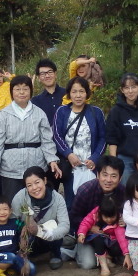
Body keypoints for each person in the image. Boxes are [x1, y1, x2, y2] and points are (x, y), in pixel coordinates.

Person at [0, 74, 62, 205]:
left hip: (35, 163)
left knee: (36, 202)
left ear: (31, 91)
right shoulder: (4, 114)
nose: (22, 92)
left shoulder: (39, 113)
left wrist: (52, 160)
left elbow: (47, 140)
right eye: (17, 89)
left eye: (25, 89)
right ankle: (16, 225)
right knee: (13, 203)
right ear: (11, 92)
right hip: (10, 166)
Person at [52, 76, 106, 212]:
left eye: (81, 91)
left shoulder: (96, 112)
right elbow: (56, 135)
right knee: (71, 202)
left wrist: (95, 158)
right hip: (71, 166)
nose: (78, 95)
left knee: (93, 202)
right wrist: (68, 154)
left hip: (90, 166)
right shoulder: (62, 111)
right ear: (69, 93)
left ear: (87, 93)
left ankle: (91, 231)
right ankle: (73, 231)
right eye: (74, 91)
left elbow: (103, 138)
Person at [70, 155, 125, 269]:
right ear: (98, 174)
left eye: (114, 176)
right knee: (88, 264)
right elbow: (73, 217)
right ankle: (77, 250)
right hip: (90, 235)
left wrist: (125, 220)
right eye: (105, 175)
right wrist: (90, 227)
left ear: (120, 178)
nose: (108, 180)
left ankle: (107, 255)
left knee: (128, 258)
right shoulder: (85, 191)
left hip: (113, 235)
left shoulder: (123, 192)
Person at [9, 166, 70, 270]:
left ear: (45, 180)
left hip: (49, 237)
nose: (34, 188)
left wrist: (48, 234)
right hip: (28, 237)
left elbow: (65, 225)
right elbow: (12, 220)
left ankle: (55, 254)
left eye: (37, 182)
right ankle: (25, 255)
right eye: (29, 185)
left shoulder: (58, 199)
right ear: (26, 187)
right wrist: (22, 229)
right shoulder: (20, 197)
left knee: (53, 226)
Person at [31, 58, 65, 122]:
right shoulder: (35, 101)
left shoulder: (68, 94)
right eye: (43, 74)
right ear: (38, 78)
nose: (47, 76)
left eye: (50, 72)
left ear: (55, 74)